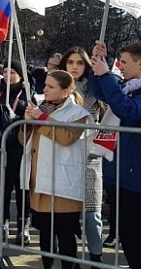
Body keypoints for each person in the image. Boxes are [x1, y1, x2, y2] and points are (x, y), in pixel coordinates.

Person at [88, 40, 141, 269]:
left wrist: (105, 75)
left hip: (138, 177)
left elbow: (129, 111)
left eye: (124, 62)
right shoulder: (132, 85)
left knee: (137, 239)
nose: (120, 66)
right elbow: (102, 94)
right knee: (127, 235)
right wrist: (98, 66)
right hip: (122, 172)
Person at [22, 70, 92, 269]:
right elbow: (24, 140)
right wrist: (26, 124)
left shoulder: (78, 113)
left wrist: (42, 119)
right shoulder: (40, 108)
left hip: (63, 184)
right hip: (40, 181)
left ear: (65, 91)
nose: (45, 90)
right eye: (45, 85)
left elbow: (66, 137)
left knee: (65, 234)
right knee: (45, 233)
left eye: (51, 87)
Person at [61, 47, 106, 263]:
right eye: (71, 62)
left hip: (90, 157)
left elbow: (107, 120)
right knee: (66, 216)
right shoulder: (56, 88)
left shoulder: (96, 89)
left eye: (80, 63)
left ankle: (96, 259)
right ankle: (68, 259)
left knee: (92, 215)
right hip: (63, 157)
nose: (75, 67)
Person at [0, 59, 34, 246]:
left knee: (22, 190)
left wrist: (20, 116)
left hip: (20, 149)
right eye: (5, 71)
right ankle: (2, 223)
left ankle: (23, 226)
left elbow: (32, 117)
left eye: (12, 72)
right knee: (3, 188)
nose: (7, 75)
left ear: (20, 75)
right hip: (1, 147)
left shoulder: (28, 94)